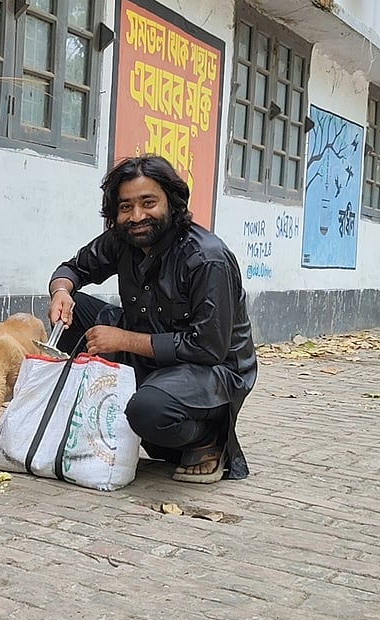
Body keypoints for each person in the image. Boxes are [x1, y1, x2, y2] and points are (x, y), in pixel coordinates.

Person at [47, 155, 257, 483]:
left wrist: (123, 340)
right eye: (126, 206)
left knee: (147, 411)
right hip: (153, 351)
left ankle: (206, 439)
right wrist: (61, 291)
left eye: (148, 203)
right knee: (74, 312)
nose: (137, 216)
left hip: (211, 371)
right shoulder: (123, 240)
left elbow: (207, 347)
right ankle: (107, 415)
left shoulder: (206, 259)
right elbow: (74, 268)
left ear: (172, 204)